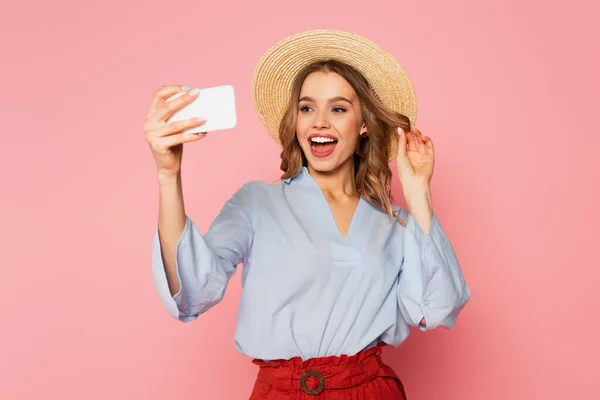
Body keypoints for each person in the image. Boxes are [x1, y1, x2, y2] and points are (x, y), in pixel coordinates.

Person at [144, 30, 471, 399]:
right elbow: (191, 290)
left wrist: (418, 192)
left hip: (368, 390)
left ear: (363, 124)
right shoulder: (257, 202)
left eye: (338, 108)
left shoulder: (395, 223)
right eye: (306, 107)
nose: (319, 122)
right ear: (296, 121)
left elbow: (435, 309)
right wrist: (168, 175)